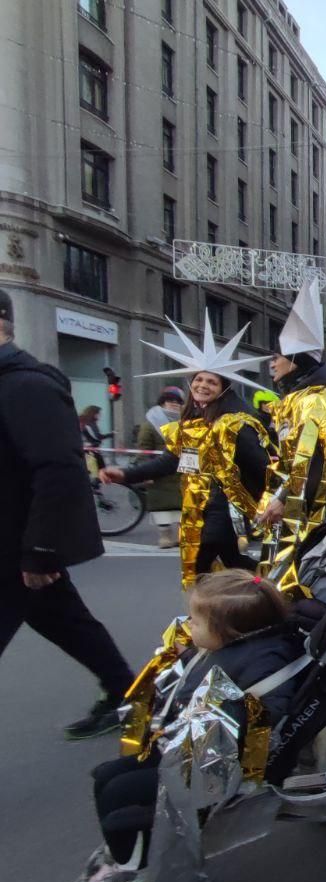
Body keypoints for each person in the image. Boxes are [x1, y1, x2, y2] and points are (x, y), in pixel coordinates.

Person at [59, 570, 305, 882]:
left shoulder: (263, 664)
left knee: (119, 801)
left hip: (212, 765)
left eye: (196, 620)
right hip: (185, 747)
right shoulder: (229, 649)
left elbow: (257, 719)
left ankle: (138, 873)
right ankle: (127, 856)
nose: (188, 625)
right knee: (106, 776)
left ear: (229, 630)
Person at [0, 288, 135, 739]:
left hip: (16, 548)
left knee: (67, 621)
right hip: (18, 550)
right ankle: (126, 693)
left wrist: (40, 551)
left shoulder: (28, 385)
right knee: (69, 623)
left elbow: (58, 471)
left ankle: (127, 694)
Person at [102, 319, 272, 587]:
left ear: (224, 387)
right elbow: (172, 461)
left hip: (229, 508)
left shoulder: (237, 423)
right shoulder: (193, 421)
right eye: (199, 379)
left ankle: (209, 613)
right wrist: (124, 474)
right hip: (200, 507)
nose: (203, 385)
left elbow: (262, 467)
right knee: (230, 561)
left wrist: (267, 504)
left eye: (211, 381)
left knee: (201, 562)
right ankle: (266, 594)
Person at [259, 280, 326, 556]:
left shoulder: (317, 399)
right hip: (316, 507)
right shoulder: (306, 396)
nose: (272, 363)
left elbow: (315, 456)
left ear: (296, 361)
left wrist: (285, 499)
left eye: (276, 357)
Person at [135, 390, 185, 548]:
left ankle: (180, 535)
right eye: (170, 401)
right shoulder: (151, 423)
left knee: (183, 505)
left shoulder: (186, 420)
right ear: (162, 403)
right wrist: (147, 471)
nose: (174, 404)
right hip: (159, 471)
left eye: (177, 402)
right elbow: (144, 448)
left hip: (182, 470)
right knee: (161, 506)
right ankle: (165, 536)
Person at [80, 406, 112, 474]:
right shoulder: (88, 423)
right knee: (99, 470)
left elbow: (97, 436)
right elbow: (97, 437)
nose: (100, 415)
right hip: (90, 451)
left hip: (91, 450)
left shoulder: (90, 423)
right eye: (99, 413)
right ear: (93, 413)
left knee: (97, 470)